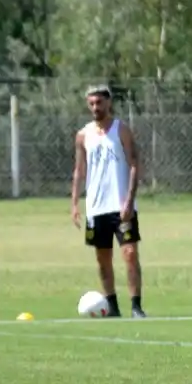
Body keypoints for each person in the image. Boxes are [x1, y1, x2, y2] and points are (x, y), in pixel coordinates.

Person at [71, 84, 146, 318]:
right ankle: (112, 306)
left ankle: (136, 306)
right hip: (96, 208)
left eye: (99, 103)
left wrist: (129, 201)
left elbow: (134, 164)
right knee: (103, 259)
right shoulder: (83, 135)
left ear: (108, 103)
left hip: (121, 206)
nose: (96, 107)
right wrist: (74, 203)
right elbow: (79, 170)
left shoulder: (121, 130)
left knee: (130, 253)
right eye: (91, 103)